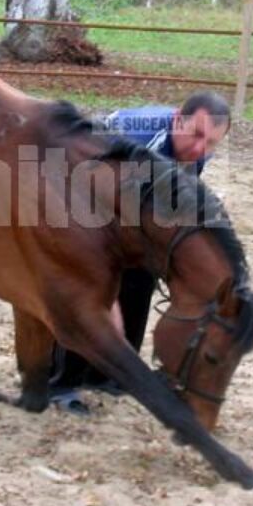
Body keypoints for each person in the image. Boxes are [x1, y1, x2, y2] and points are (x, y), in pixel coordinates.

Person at [49, 90, 232, 414]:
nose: (200, 149)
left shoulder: (196, 153)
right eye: (196, 134)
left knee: (143, 271)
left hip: (123, 201)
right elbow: (95, 207)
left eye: (211, 143)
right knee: (93, 281)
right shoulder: (140, 141)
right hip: (71, 190)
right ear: (178, 119)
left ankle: (108, 375)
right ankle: (60, 383)